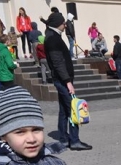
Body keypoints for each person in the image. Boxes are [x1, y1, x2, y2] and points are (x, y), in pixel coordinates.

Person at [44, 11, 92, 151]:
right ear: (57, 24)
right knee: (73, 109)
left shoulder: (52, 36)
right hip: (63, 80)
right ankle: (74, 140)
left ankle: (64, 139)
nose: (65, 25)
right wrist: (67, 81)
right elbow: (58, 62)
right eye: (63, 23)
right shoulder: (53, 38)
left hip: (61, 79)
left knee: (64, 110)